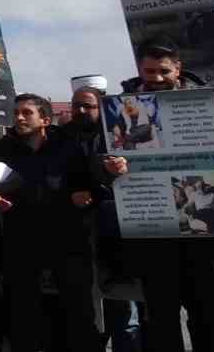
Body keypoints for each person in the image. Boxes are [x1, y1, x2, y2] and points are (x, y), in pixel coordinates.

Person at [103, 41, 214, 352]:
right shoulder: (118, 108)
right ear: (139, 69)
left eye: (164, 71)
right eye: (149, 70)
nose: (157, 77)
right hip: (152, 228)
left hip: (207, 233)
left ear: (178, 68)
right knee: (158, 317)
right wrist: (110, 166)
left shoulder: (209, 105)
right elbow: (100, 160)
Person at [0, 93, 97, 352]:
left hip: (67, 241)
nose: (19, 118)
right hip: (22, 243)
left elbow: (90, 184)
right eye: (16, 113)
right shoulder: (2, 149)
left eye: (27, 113)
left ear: (45, 119)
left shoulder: (69, 147)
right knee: (25, 316)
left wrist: (85, 196)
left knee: (77, 314)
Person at [66, 74, 142, 352]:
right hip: (81, 235)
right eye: (76, 106)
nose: (81, 111)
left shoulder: (121, 137)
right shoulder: (64, 139)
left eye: (88, 106)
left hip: (116, 233)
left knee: (123, 309)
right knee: (89, 312)